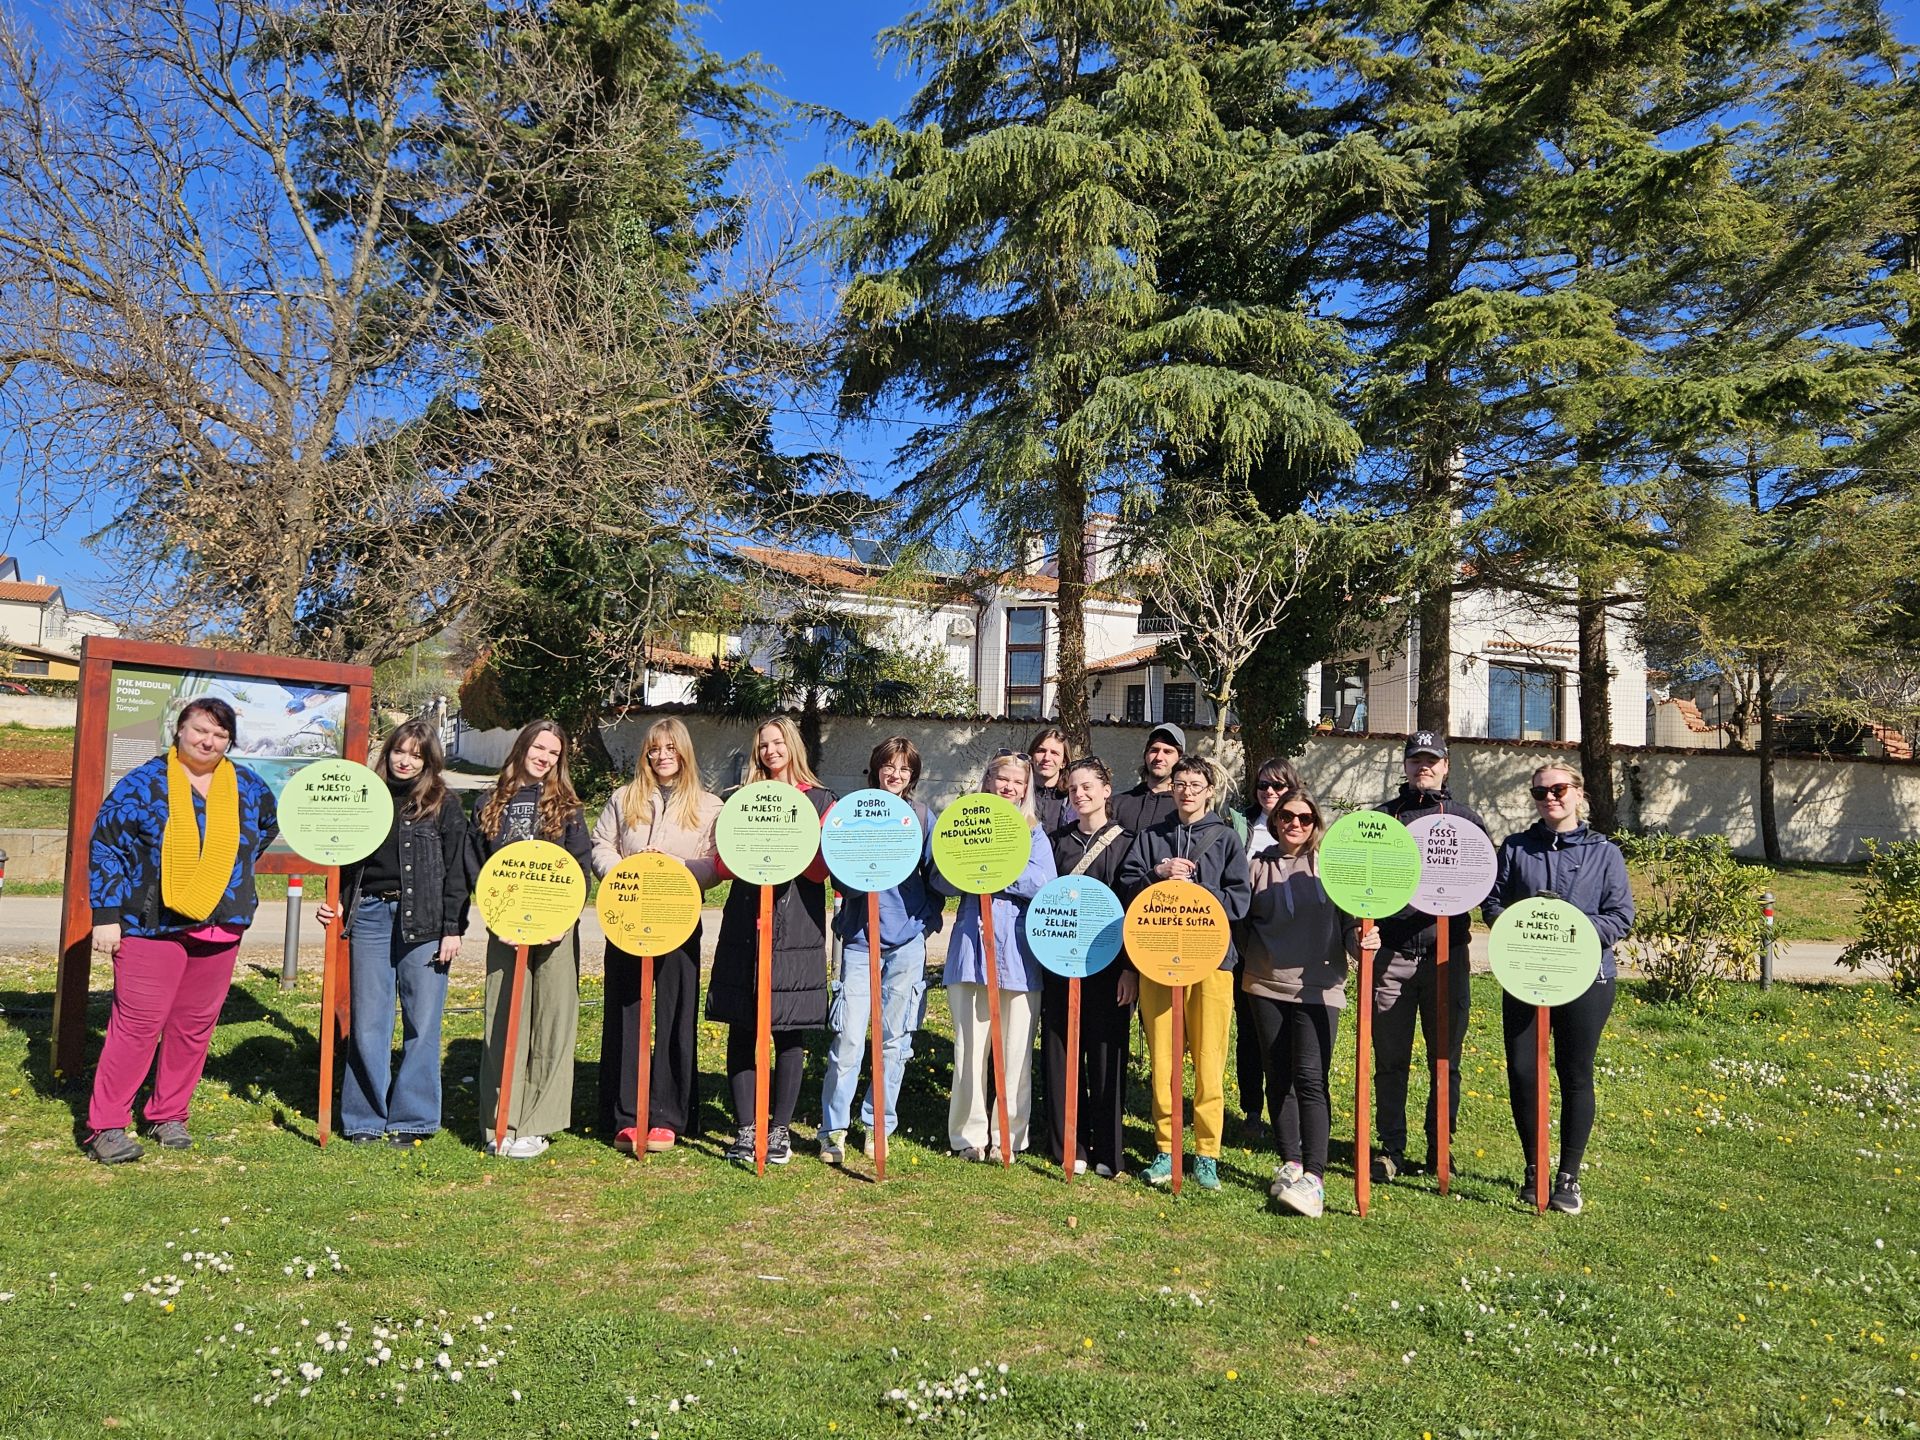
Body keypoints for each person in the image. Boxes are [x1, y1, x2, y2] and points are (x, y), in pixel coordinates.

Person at [82, 698, 278, 1163]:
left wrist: (221, 873)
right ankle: (105, 1126)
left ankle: (168, 1113)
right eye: (200, 731)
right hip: (152, 925)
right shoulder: (144, 784)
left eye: (220, 735)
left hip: (220, 922)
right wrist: (106, 915)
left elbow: (265, 828)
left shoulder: (248, 786)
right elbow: (106, 847)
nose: (208, 741)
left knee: (193, 1027)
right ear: (179, 730)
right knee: (137, 1026)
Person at [1483, 764, 1634, 1214]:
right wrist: (1516, 929)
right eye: (1540, 792)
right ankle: (1535, 1169)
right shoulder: (1516, 848)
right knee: (1524, 1071)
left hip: (1587, 977)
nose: (1550, 797)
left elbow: (1620, 914)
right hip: (1527, 976)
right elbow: (1494, 902)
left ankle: (1567, 1176)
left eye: (1559, 789)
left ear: (1578, 794)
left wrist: (1574, 930)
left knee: (1575, 1074)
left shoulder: (1604, 852)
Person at [318, 718, 467, 1147]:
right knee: (368, 1020)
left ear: (429, 760)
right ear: (388, 753)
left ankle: (414, 1117)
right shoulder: (364, 797)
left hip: (425, 921)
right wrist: (340, 898)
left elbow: (456, 870)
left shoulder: (444, 803)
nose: (406, 761)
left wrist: (451, 927)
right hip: (370, 916)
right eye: (400, 751)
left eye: (416, 755)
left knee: (422, 1021)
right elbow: (342, 855)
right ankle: (364, 1117)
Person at [1242, 786, 1378, 1217]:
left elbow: (1351, 925)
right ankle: (1291, 1162)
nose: (1294, 825)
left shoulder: (1332, 868)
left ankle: (1315, 1180)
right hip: (1265, 985)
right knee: (1277, 1076)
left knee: (1311, 1079)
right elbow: (1238, 919)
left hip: (1320, 989)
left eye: (1304, 818)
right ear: (1275, 821)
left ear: (1316, 824)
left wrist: (1362, 942)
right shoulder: (1256, 867)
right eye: (1286, 817)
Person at [1118, 755, 1252, 1190]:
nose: (1187, 791)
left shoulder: (1227, 839)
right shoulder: (1152, 836)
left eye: (1195, 784)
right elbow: (1127, 884)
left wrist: (1200, 893)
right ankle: (1165, 1147)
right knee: (1163, 1058)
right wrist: (1159, 874)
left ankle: (1206, 1153)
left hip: (1212, 963)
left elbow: (1240, 901)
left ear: (1209, 790)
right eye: (1180, 783)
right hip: (1157, 960)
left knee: (1209, 1060)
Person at [706, 715, 835, 1166]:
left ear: (792, 747)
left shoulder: (820, 799)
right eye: (763, 744)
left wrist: (797, 842)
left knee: (788, 1027)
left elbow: (821, 872)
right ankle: (746, 1129)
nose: (769, 751)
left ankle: (778, 1129)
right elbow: (723, 865)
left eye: (777, 742)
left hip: (797, 923)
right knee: (743, 1024)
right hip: (746, 920)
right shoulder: (741, 800)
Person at [589, 717, 720, 1155]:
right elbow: (601, 845)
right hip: (626, 917)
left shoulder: (708, 805)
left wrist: (676, 870)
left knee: (675, 1014)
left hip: (678, 918)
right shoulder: (624, 798)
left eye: (670, 749)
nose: (662, 757)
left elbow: (716, 861)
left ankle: (668, 1114)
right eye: (653, 750)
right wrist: (624, 869)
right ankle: (625, 1113)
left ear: (683, 752)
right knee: (627, 1012)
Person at [1368, 730, 1492, 1183]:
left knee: (1446, 1058)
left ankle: (1441, 1147)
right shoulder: (1384, 819)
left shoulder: (1466, 820)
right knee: (1391, 1057)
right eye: (1416, 759)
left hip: (1447, 957)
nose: (1424, 766)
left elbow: (1483, 882)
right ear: (1404, 765)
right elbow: (1369, 884)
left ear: (1446, 765)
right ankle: (1391, 1148)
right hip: (1394, 956)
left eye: (1432, 759)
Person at [469, 719, 593, 1159]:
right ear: (522, 748)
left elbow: (579, 869)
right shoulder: (489, 803)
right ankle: (500, 1121)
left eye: (554, 753)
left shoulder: (567, 807)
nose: (545, 758)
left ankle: (537, 1123)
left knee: (552, 1023)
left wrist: (565, 917)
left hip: (556, 933)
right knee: (504, 1022)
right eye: (539, 748)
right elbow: (476, 866)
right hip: (505, 928)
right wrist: (493, 913)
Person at [819, 736, 944, 1163]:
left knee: (895, 1041)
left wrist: (925, 919)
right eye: (890, 766)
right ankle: (833, 1128)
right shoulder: (852, 812)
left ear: (913, 776)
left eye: (905, 769)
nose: (897, 775)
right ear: (876, 768)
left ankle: (878, 1125)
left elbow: (936, 875)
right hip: (858, 941)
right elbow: (838, 876)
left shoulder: (922, 817)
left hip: (905, 945)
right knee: (850, 1039)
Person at [934, 751, 1057, 1161]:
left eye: (1018, 782)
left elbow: (1044, 883)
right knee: (970, 1050)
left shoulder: (1034, 833)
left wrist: (996, 868)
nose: (1009, 787)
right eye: (1002, 779)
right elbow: (940, 877)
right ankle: (968, 1137)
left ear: (1027, 789)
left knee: (1016, 1051)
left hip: (1020, 957)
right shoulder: (964, 821)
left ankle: (1008, 1136)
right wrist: (967, 866)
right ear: (988, 781)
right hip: (972, 951)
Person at [1039, 756, 1134, 1178]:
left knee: (1106, 1055)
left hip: (1111, 969)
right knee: (1060, 1053)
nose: (1079, 794)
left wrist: (1132, 968)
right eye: (1073, 788)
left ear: (1106, 790)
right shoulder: (1055, 842)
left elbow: (1134, 909)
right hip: (1060, 965)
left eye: (1087, 786)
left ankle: (1108, 1153)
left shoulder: (1128, 843)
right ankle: (1068, 1145)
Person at [1233, 755, 1303, 1144]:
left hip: (1297, 955)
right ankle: (1251, 1110)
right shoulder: (1242, 825)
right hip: (1250, 945)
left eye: (1278, 786)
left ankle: (1289, 1108)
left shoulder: (1305, 828)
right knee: (1250, 1031)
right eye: (1263, 786)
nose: (1270, 793)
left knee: (1293, 1036)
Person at [1110, 723, 1183, 834]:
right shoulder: (1117, 804)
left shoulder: (1183, 807)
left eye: (1167, 752)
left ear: (1179, 759)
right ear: (1145, 755)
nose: (1159, 757)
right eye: (1154, 750)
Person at [1026, 725, 1073, 831]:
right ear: (1032, 757)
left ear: (1063, 762)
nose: (1047, 758)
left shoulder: (1073, 798)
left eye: (1054, 753)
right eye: (1041, 751)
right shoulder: (1020, 794)